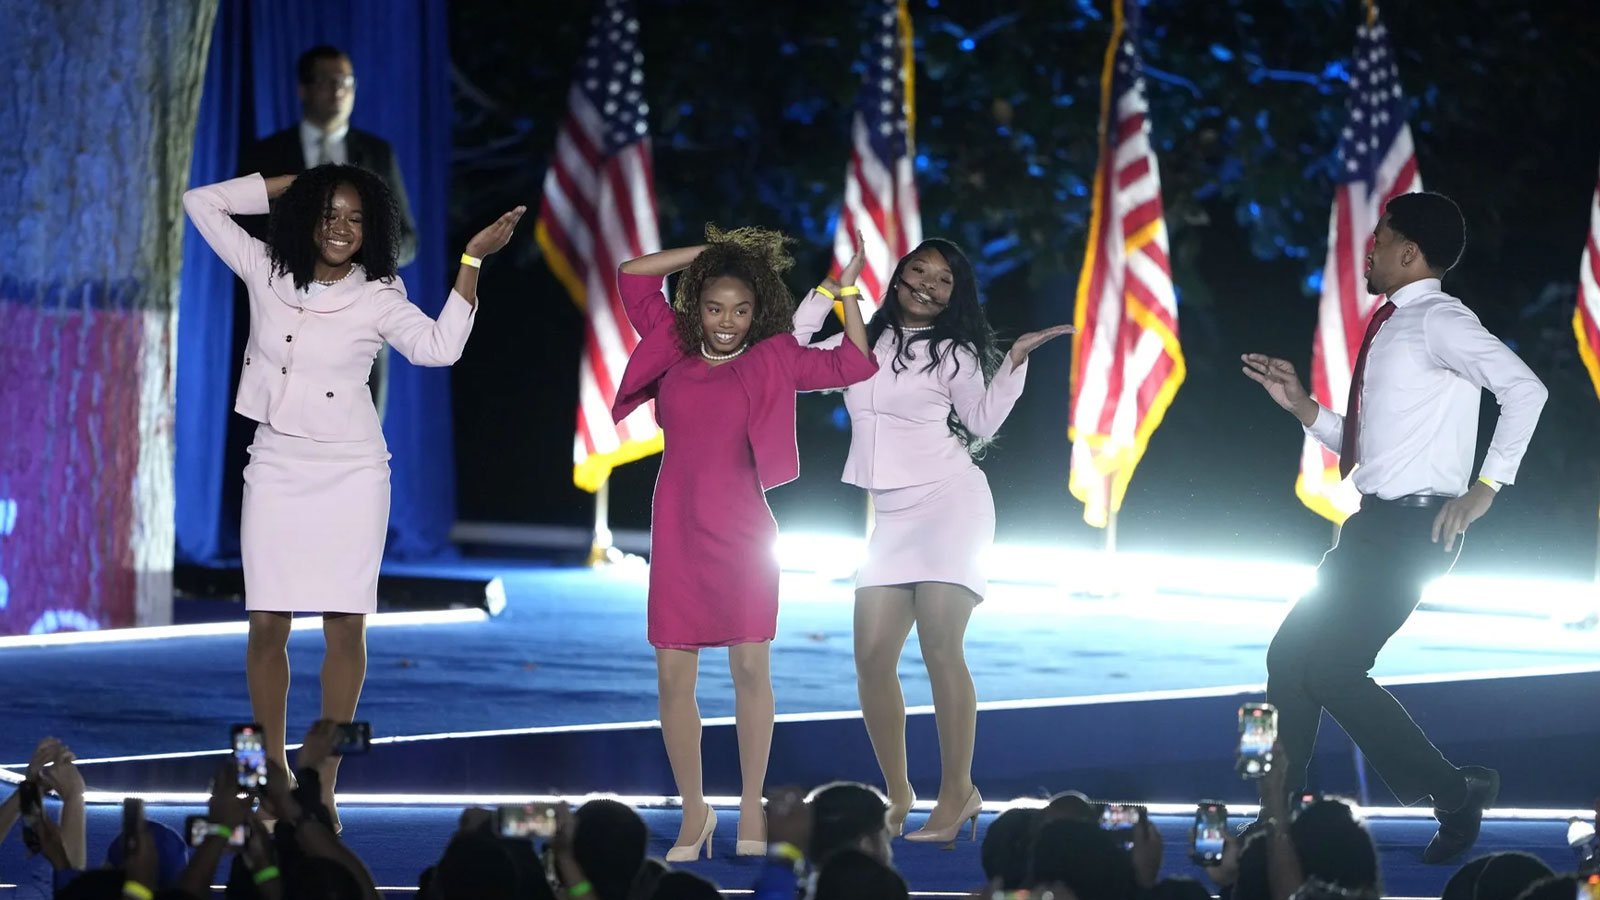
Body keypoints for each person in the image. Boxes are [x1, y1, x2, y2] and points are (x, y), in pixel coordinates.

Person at [184, 165, 523, 829]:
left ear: (372, 230)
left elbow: (440, 347)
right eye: (329, 212)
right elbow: (202, 202)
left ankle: (324, 778)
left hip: (351, 471)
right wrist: (302, 178)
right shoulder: (265, 267)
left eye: (356, 218)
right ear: (309, 214)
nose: (341, 229)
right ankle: (266, 775)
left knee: (346, 627)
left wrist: (471, 260)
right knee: (265, 626)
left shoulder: (378, 294)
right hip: (276, 462)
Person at [1241, 191, 1547, 864]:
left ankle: (1455, 792)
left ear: (1410, 253)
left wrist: (1486, 489)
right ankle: (1277, 820)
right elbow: (1375, 453)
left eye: (1379, 238)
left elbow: (1526, 390)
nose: (1368, 248)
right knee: (1289, 660)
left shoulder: (1440, 319)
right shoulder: (1392, 325)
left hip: (1415, 534)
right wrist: (1302, 407)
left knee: (1332, 668)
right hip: (1373, 527)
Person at [611, 227, 878, 860]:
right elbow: (633, 273)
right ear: (696, 305)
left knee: (750, 671)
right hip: (676, 531)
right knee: (674, 679)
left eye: (740, 309)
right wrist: (713, 259)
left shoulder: (773, 358)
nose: (726, 321)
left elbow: (854, 364)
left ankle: (751, 804)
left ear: (758, 312)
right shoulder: (671, 346)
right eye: (713, 306)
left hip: (744, 536)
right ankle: (694, 811)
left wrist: (847, 294)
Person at [791, 239, 1071, 842]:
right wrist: (833, 289)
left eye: (943, 280)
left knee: (941, 647)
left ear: (953, 297)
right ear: (897, 277)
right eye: (919, 270)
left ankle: (957, 793)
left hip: (951, 504)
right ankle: (898, 793)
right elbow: (790, 353)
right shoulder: (859, 341)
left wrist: (1016, 360)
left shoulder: (957, 354)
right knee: (871, 659)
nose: (928, 283)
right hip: (891, 518)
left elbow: (983, 424)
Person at [220, 46, 419, 555]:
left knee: (353, 437)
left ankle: (343, 544)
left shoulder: (376, 154)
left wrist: (360, 256)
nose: (339, 93)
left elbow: (408, 238)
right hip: (283, 323)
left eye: (347, 83)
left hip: (355, 327)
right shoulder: (267, 153)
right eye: (329, 82)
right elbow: (238, 228)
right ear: (304, 88)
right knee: (276, 436)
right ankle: (279, 543)